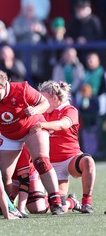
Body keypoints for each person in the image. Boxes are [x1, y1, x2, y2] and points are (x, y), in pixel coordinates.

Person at [0, 70, 63, 215]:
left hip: (31, 127)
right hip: (8, 134)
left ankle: (56, 202)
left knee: (41, 161)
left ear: (5, 86)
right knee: (1, 174)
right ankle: (8, 206)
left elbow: (44, 103)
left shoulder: (22, 89)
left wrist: (34, 110)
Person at [35, 80, 96, 214]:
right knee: (54, 208)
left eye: (44, 99)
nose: (41, 103)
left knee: (88, 161)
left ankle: (87, 202)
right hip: (49, 165)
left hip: (70, 159)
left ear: (55, 98)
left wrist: (42, 125)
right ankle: (72, 202)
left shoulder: (70, 110)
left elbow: (62, 125)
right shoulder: (43, 111)